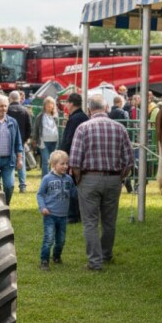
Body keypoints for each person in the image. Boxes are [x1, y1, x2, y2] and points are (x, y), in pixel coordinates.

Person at [69, 95, 134, 272]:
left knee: (90, 222)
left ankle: (95, 262)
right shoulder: (119, 128)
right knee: (109, 221)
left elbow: (74, 160)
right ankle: (106, 254)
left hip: (89, 178)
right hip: (113, 179)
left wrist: (79, 178)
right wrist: (120, 177)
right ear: (106, 109)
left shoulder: (83, 128)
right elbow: (129, 160)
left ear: (89, 110)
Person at [36, 150, 74, 271]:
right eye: (62, 164)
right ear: (53, 165)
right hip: (50, 215)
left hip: (63, 216)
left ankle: (56, 256)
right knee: (49, 238)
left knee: (61, 240)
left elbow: (74, 193)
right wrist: (43, 207)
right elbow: (40, 194)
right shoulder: (47, 179)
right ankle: (44, 260)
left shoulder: (69, 179)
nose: (65, 166)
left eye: (66, 164)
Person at [59, 93, 88, 224]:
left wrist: (61, 155)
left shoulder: (75, 118)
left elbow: (68, 139)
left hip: (73, 157)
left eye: (67, 102)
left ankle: (72, 215)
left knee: (70, 185)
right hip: (82, 157)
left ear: (71, 103)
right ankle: (79, 214)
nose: (65, 105)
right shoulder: (83, 117)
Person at [7, 91, 32, 192]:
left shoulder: (6, 110)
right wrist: (25, 139)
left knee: (10, 163)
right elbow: (29, 127)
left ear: (10, 98)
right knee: (21, 163)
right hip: (21, 140)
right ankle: (22, 185)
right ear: (19, 98)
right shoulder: (25, 110)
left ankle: (11, 183)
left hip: (8, 140)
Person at [31, 96, 59, 177]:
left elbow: (57, 128)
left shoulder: (55, 116)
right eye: (47, 105)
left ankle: (53, 177)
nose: (49, 107)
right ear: (44, 106)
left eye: (51, 105)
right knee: (45, 161)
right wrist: (34, 140)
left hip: (54, 141)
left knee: (53, 161)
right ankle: (45, 179)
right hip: (44, 142)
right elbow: (36, 128)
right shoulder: (40, 116)